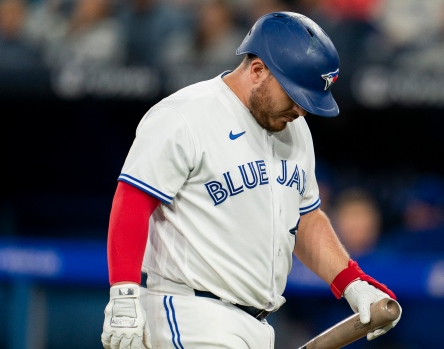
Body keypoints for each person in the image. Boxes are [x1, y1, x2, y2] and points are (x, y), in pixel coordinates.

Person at [100, 11, 401, 349]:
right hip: (189, 314)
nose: (301, 110)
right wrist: (123, 293)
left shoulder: (295, 129)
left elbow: (305, 218)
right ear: (258, 70)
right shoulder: (185, 115)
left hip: (258, 324)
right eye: (295, 96)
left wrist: (351, 282)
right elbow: (133, 200)